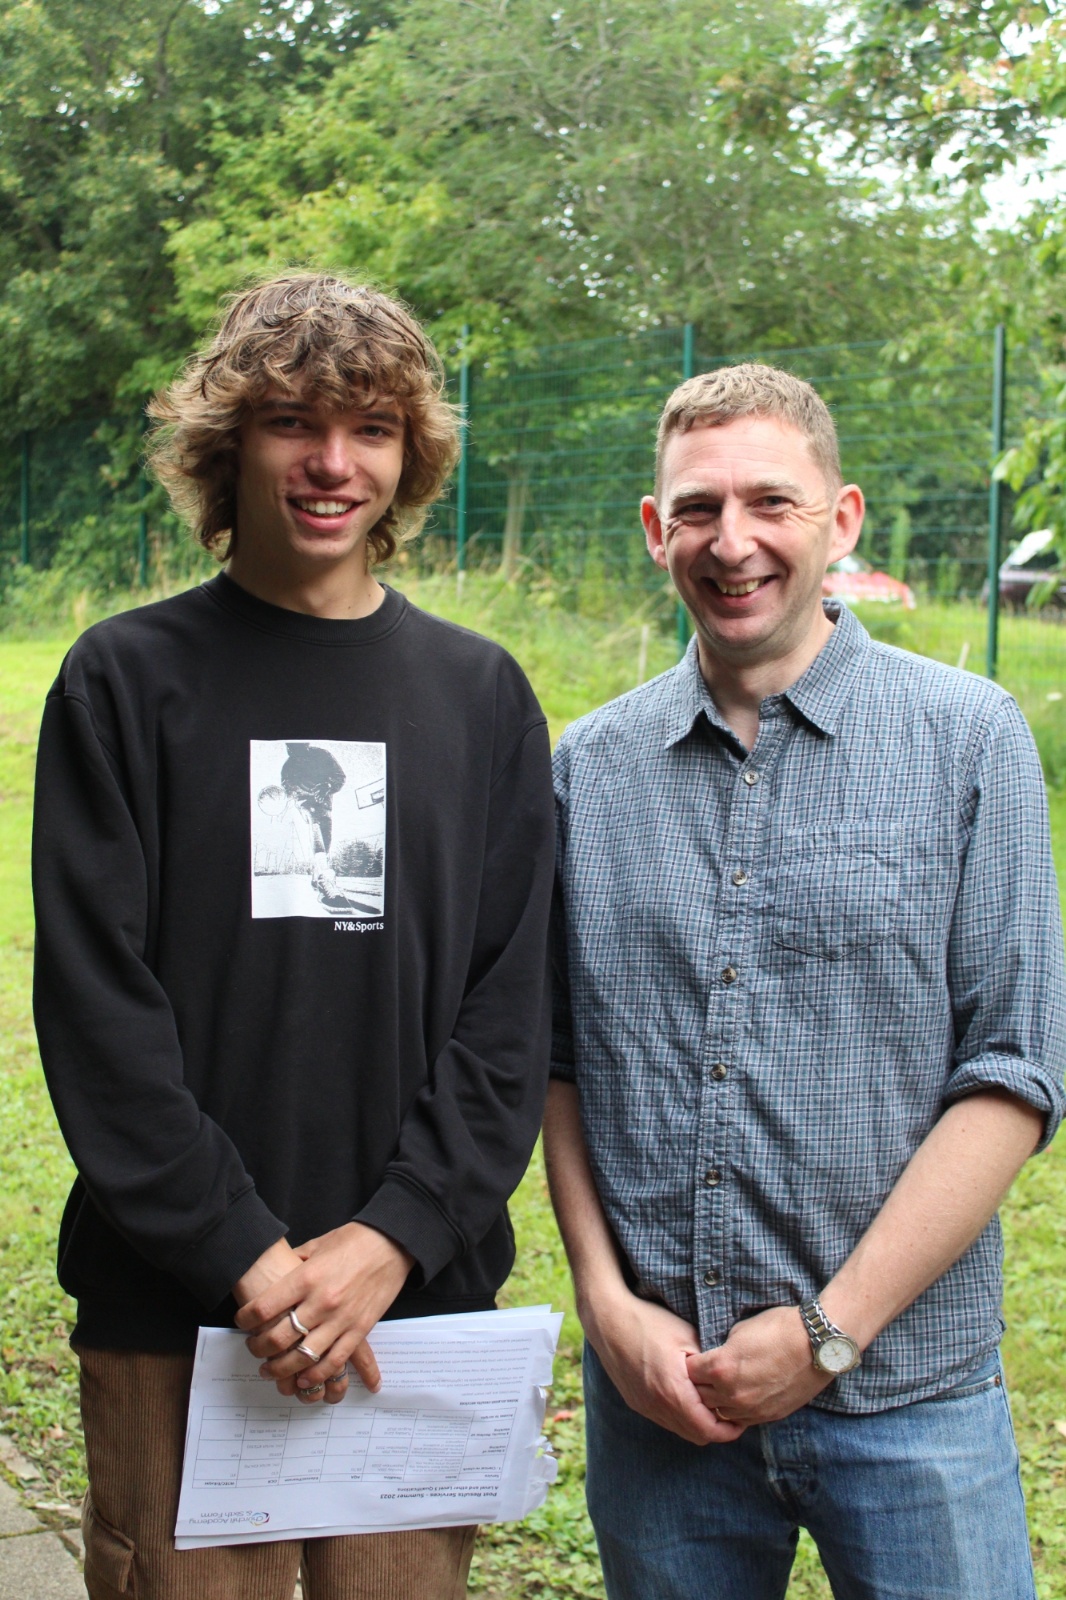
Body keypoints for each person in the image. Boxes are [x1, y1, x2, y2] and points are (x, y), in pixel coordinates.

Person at [32, 271, 555, 1600]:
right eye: (293, 424)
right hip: (178, 1315)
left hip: (414, 1313)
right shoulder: (122, 681)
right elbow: (99, 1016)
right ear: (229, 443)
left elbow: (509, 1013)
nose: (334, 464)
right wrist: (246, 1256)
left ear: (409, 456)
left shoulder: (481, 697)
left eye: (372, 428)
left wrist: (391, 1238)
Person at [544, 362, 1066, 1600]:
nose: (732, 542)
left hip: (910, 1402)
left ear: (841, 519)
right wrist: (605, 1305)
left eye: (770, 502)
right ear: (654, 528)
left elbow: (1013, 1073)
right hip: (662, 1403)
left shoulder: (968, 738)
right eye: (697, 508)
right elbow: (558, 1061)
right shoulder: (585, 769)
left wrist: (829, 1331)